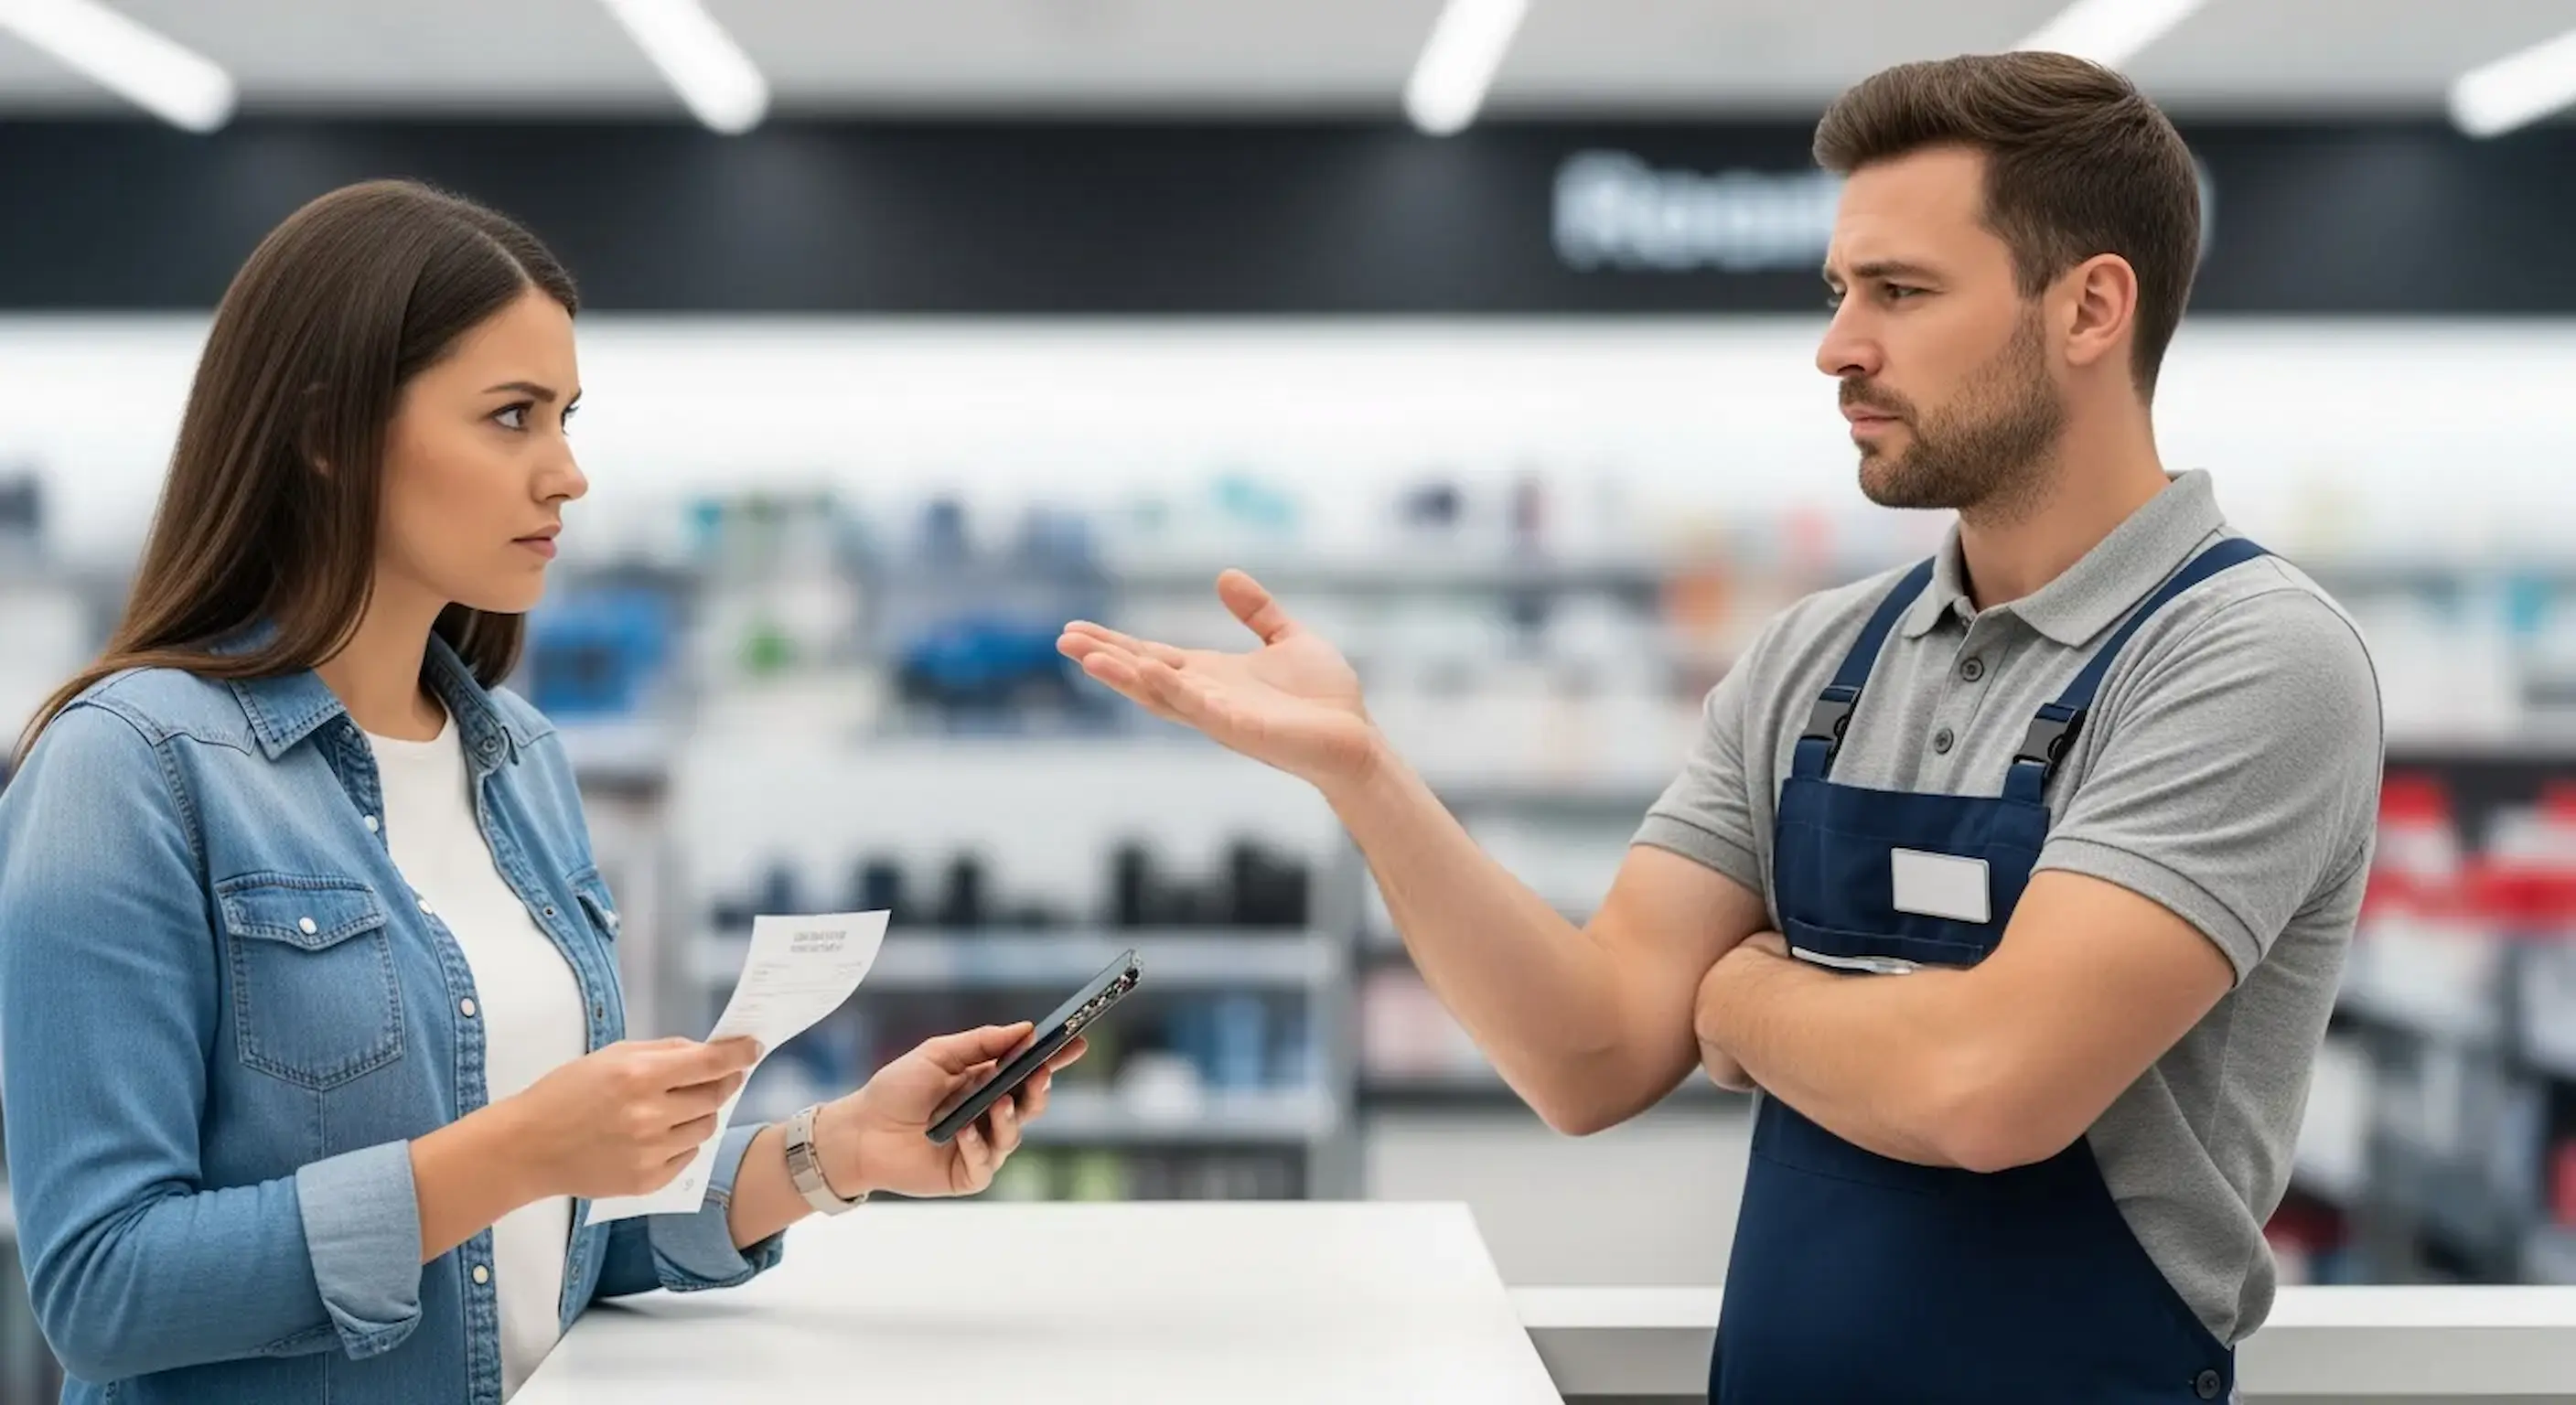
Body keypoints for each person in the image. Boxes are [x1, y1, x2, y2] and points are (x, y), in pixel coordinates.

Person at [1063, 51, 2382, 1405]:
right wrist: (1363, 773)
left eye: (1901, 291)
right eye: (1838, 291)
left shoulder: (2244, 656)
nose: (1837, 345)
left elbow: (1989, 1088)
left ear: (2091, 307)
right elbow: (1589, 1055)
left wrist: (1743, 997)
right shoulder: (1818, 662)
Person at [0, 179, 1082, 1405]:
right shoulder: (126, 769)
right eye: (512, 417)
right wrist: (516, 1149)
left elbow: (550, 1232)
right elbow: (101, 1289)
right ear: (325, 429)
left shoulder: (517, 759)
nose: (567, 474)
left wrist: (830, 1151)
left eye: (565, 417)